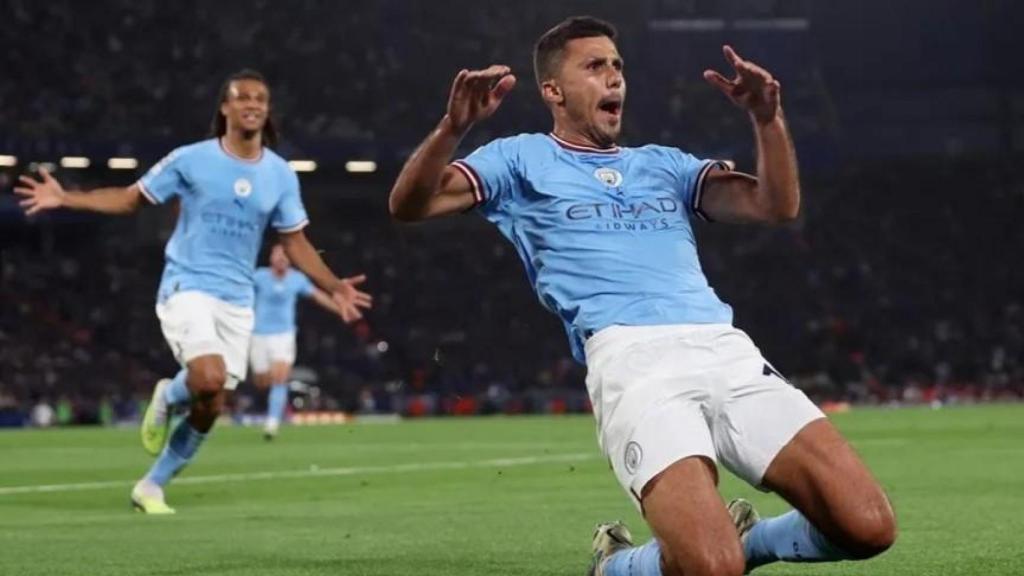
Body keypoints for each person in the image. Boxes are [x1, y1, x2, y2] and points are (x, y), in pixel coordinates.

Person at [388, 16, 895, 576]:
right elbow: (411, 205)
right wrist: (452, 129)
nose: (614, 79)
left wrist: (766, 118)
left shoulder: (665, 164)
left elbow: (775, 206)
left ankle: (748, 540)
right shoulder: (517, 159)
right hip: (632, 361)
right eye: (595, 66)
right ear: (553, 90)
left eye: (618, 66)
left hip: (725, 348)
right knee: (710, 568)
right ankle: (616, 567)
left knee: (868, 526)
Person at [15, 69, 372, 515]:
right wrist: (67, 197)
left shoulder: (280, 175)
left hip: (238, 300)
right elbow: (130, 199)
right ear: (224, 107)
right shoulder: (190, 160)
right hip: (188, 285)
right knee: (208, 377)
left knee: (211, 402)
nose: (253, 104)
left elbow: (294, 240)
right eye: (243, 97)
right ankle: (169, 396)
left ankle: (151, 484)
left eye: (261, 98)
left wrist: (334, 284)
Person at [250, 242, 353, 440]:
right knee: (262, 381)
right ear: (271, 257)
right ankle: (271, 408)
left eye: (284, 255)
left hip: (284, 334)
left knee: (280, 378)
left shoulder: (297, 279)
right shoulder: (259, 277)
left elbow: (317, 296)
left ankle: (271, 424)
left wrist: (339, 309)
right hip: (259, 334)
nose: (281, 258)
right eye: (277, 254)